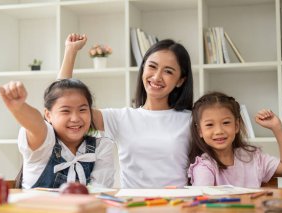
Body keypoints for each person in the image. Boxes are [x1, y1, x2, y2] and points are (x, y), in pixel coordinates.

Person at [58, 33, 194, 188]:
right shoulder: (121, 118)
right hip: (132, 205)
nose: (157, 77)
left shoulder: (191, 120)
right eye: (152, 66)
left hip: (178, 205)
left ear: (180, 81)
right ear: (143, 69)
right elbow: (61, 98)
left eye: (168, 71)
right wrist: (70, 51)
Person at [0, 79, 115, 189]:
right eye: (65, 111)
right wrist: (20, 107)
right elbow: (36, 125)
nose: (75, 118)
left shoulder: (102, 146)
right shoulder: (46, 140)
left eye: (82, 110)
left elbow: (100, 194)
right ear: (48, 115)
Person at [188, 91, 282, 188]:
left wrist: (277, 127)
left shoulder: (253, 157)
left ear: (236, 126)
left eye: (226, 123)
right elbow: (203, 206)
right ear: (200, 131)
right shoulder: (204, 167)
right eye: (210, 125)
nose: (219, 131)